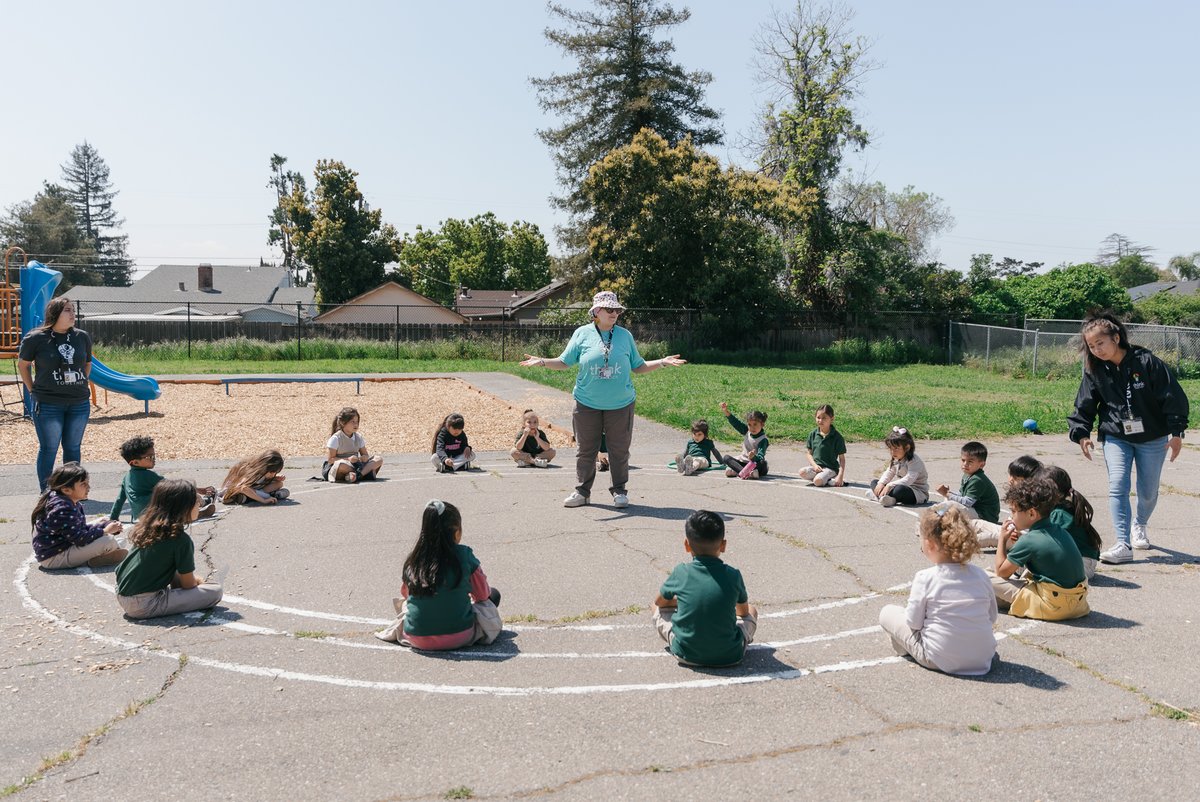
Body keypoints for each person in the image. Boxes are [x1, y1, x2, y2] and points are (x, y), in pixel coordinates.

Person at [520, 290, 686, 508]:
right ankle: (582, 492)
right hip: (586, 403)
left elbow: (639, 366)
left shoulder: (625, 335)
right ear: (596, 311)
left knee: (619, 450)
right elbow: (564, 361)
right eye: (609, 309)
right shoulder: (582, 333)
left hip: (621, 404)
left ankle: (619, 491)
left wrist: (662, 362)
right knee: (585, 450)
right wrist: (542, 361)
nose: (614, 313)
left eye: (616, 309)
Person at [1068, 311, 1189, 564]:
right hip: (1115, 435)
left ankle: (1139, 524)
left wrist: (1176, 432)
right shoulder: (1095, 370)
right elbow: (1085, 403)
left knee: (1147, 492)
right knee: (1118, 485)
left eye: (1100, 343)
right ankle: (1122, 543)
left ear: (1116, 337)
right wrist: (1081, 433)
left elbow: (1172, 397)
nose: (1097, 350)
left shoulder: (1147, 362)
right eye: (1091, 346)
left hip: (1153, 437)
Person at [878, 506, 997, 676]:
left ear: (930, 545)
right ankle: (972, 648)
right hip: (982, 659)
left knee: (887, 612)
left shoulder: (925, 577)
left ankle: (904, 646)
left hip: (938, 659)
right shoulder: (981, 575)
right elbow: (991, 617)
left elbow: (913, 623)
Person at [374, 499, 502, 650]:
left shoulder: (414, 559)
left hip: (416, 637)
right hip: (460, 635)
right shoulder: (464, 555)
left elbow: (407, 595)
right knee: (494, 595)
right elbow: (482, 594)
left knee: (407, 604)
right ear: (456, 531)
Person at [653, 510, 758, 667]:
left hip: (686, 654)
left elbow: (660, 602)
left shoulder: (681, 572)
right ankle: (740, 641)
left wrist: (680, 603)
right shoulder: (733, 575)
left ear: (687, 545)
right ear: (723, 545)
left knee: (655, 607)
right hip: (730, 655)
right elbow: (743, 612)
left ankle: (686, 640)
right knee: (752, 609)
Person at [115, 479, 223, 619]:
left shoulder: (148, 528)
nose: (198, 504)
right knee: (215, 591)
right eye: (196, 501)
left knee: (172, 566)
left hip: (122, 594)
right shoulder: (180, 539)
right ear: (183, 507)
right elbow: (188, 584)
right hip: (144, 604)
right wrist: (198, 581)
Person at [17, 297, 94, 491]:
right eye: (67, 310)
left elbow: (87, 363)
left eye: (73, 310)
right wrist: (32, 389)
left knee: (73, 448)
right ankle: (47, 492)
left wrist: (80, 380)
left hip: (79, 403)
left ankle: (71, 490)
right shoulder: (36, 338)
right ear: (55, 313)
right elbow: (23, 365)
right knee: (49, 449)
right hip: (48, 403)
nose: (72, 314)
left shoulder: (81, 336)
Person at [988, 477, 1089, 620]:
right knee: (992, 583)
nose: (1011, 516)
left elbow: (1001, 572)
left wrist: (1002, 539)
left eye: (1013, 511)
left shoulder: (1030, 539)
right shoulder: (1059, 530)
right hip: (1077, 603)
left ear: (1031, 513)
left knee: (984, 577)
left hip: (1052, 605)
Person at [31, 463, 126, 570]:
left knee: (105, 523)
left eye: (87, 483)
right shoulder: (63, 509)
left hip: (62, 546)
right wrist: (104, 531)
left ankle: (104, 553)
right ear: (66, 490)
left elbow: (78, 528)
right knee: (108, 542)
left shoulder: (65, 500)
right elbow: (80, 539)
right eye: (83, 484)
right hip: (54, 558)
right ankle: (93, 559)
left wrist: (103, 525)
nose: (88, 487)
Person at [111, 435, 216, 521]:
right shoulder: (147, 475)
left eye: (154, 455)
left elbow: (119, 500)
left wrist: (113, 518)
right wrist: (198, 490)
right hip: (155, 513)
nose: (154, 459)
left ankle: (198, 508)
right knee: (183, 493)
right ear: (135, 462)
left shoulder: (126, 478)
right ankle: (200, 506)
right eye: (150, 457)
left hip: (139, 517)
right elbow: (174, 486)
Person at [1041, 465, 1103, 580]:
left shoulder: (1059, 514)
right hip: (1082, 562)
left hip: (1083, 566)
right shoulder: (1063, 506)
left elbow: (1047, 543)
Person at [972, 455, 1044, 548]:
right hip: (1010, 530)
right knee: (977, 523)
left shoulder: (1035, 499)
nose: (1010, 480)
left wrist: (1016, 532)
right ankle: (949, 534)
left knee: (987, 537)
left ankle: (952, 544)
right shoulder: (1017, 494)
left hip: (1021, 537)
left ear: (1029, 480)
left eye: (1016, 478)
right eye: (1010, 475)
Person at [935, 441, 1000, 525]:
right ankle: (938, 517)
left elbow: (967, 502)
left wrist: (947, 494)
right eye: (963, 460)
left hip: (986, 516)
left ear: (981, 464)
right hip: (975, 509)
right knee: (948, 501)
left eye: (970, 462)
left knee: (951, 503)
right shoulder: (967, 475)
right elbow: (962, 493)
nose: (965, 464)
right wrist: (949, 492)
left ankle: (936, 518)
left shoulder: (978, 480)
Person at [866, 426, 928, 507]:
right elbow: (890, 472)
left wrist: (889, 485)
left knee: (899, 490)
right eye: (890, 448)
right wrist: (881, 483)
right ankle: (886, 498)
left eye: (896, 448)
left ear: (907, 447)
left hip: (916, 493)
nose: (892, 452)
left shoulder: (914, 460)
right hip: (901, 486)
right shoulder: (896, 458)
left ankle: (878, 496)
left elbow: (909, 479)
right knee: (875, 482)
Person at [323, 407, 383, 483]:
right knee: (341, 465)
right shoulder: (336, 438)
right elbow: (330, 460)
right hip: (341, 465)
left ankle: (357, 475)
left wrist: (363, 458)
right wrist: (348, 459)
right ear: (343, 423)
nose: (356, 424)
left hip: (356, 465)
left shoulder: (358, 437)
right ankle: (365, 474)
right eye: (352, 422)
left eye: (357, 421)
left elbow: (365, 455)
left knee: (378, 459)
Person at [798, 404, 847, 487]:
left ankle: (833, 478)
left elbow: (842, 459)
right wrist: (814, 465)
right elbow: (809, 454)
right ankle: (828, 480)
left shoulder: (837, 437)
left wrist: (840, 475)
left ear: (832, 419)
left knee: (817, 481)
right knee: (802, 472)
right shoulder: (813, 434)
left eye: (824, 418)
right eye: (818, 417)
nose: (820, 420)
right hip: (817, 468)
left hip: (830, 468)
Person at [718, 403, 769, 479]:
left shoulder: (763, 439)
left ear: (762, 425)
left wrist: (753, 457)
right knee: (726, 458)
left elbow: (761, 456)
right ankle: (745, 472)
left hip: (754, 464)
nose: (752, 427)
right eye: (749, 424)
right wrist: (726, 411)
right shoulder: (746, 431)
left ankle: (739, 472)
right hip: (742, 463)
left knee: (763, 464)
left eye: (755, 424)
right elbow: (736, 423)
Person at [220, 449, 289, 504]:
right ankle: (253, 497)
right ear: (265, 467)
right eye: (272, 472)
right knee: (267, 494)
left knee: (279, 484)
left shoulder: (261, 469)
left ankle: (253, 496)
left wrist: (275, 477)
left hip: (251, 488)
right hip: (231, 491)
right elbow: (242, 487)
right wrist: (263, 500)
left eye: (275, 472)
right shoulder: (251, 472)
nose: (273, 474)